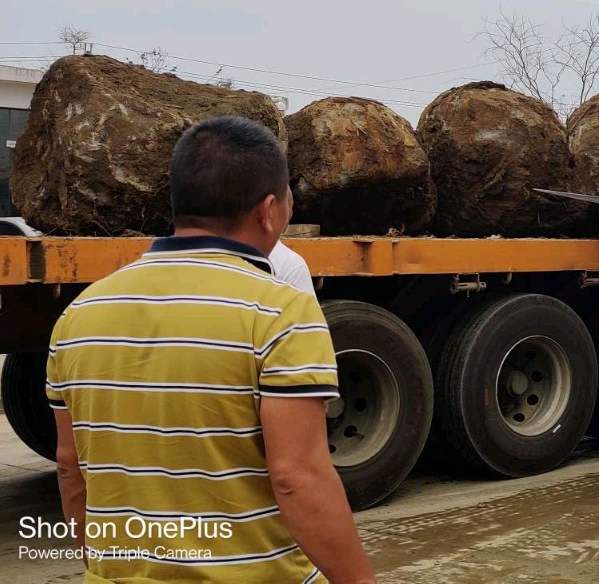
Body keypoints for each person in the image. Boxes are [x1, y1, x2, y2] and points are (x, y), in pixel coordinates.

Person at [45, 116, 374, 584]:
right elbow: (297, 477)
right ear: (269, 211)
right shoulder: (282, 311)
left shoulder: (79, 313)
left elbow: (69, 465)